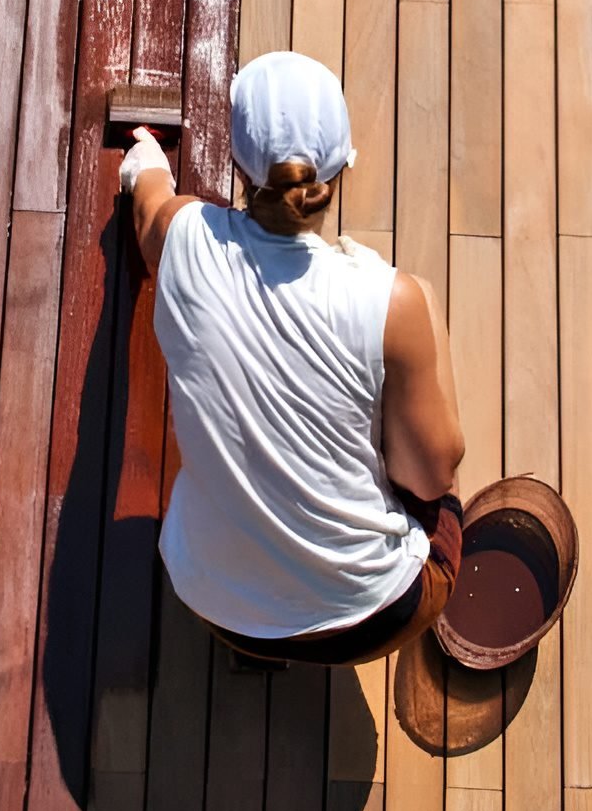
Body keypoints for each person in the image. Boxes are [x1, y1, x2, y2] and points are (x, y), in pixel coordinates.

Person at [117, 50, 466, 667]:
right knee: (438, 467)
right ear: (342, 171)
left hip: (215, 601)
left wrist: (144, 154)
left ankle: (260, 646)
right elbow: (431, 475)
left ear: (238, 167)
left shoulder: (184, 240)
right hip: (375, 613)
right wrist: (423, 307)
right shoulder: (390, 300)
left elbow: (147, 201)